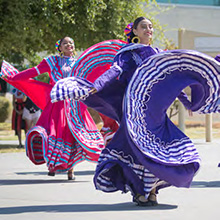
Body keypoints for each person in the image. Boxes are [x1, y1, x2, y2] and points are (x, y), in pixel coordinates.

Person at [50, 17, 220, 206]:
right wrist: (95, 87)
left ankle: (152, 190)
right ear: (135, 32)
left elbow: (170, 80)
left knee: (157, 151)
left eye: (150, 26)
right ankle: (140, 191)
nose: (148, 29)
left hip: (156, 114)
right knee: (135, 151)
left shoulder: (159, 54)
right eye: (143, 27)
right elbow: (114, 71)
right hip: (134, 113)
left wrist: (186, 102)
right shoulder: (128, 54)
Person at [0, 36, 107, 180]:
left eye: (71, 43)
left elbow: (92, 78)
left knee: (74, 135)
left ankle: (70, 170)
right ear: (60, 48)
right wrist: (15, 77)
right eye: (65, 43)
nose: (69, 45)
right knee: (56, 134)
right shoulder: (52, 62)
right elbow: (34, 71)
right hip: (57, 104)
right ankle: (52, 164)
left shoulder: (80, 64)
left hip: (75, 105)